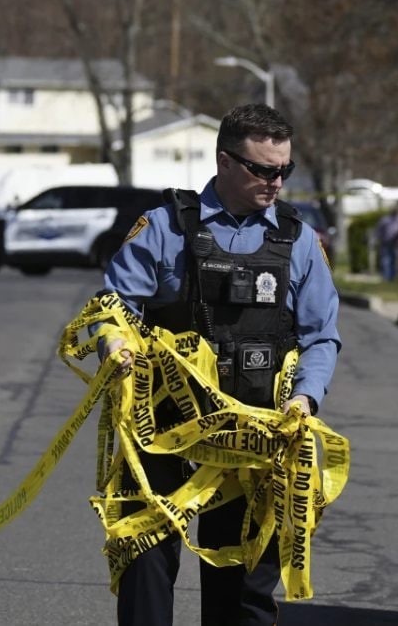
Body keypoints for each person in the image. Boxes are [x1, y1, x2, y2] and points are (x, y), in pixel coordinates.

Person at [96, 103, 341, 626]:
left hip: (254, 438)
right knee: (147, 572)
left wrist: (305, 396)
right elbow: (114, 305)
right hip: (162, 430)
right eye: (263, 169)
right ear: (224, 161)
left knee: (244, 588)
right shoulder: (164, 227)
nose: (276, 183)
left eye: (284, 171)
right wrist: (114, 346)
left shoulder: (298, 241)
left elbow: (322, 336)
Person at [375, 203, 398, 282]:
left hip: (397, 243)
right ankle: (387, 277)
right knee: (386, 260)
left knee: (395, 260)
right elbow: (379, 230)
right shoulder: (385, 220)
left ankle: (393, 277)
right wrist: (379, 239)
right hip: (386, 243)